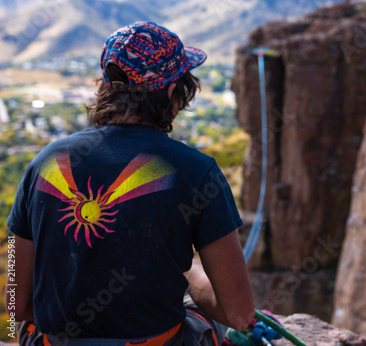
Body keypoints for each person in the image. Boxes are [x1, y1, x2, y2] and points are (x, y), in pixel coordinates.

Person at [6, 21, 254, 345]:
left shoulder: (44, 163)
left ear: (107, 86)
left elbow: (16, 306)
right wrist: (188, 271)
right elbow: (239, 314)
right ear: (171, 91)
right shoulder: (197, 171)